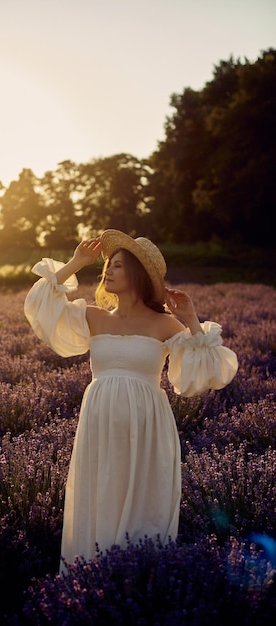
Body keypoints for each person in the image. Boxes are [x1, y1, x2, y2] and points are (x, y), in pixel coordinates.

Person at [24, 229, 238, 569]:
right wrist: (76, 262)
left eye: (117, 266)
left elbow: (208, 368)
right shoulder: (94, 317)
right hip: (100, 420)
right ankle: (92, 578)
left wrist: (191, 319)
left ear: (137, 274)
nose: (107, 271)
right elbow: (41, 306)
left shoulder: (164, 324)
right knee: (101, 494)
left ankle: (137, 581)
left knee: (140, 502)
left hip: (147, 425)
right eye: (108, 265)